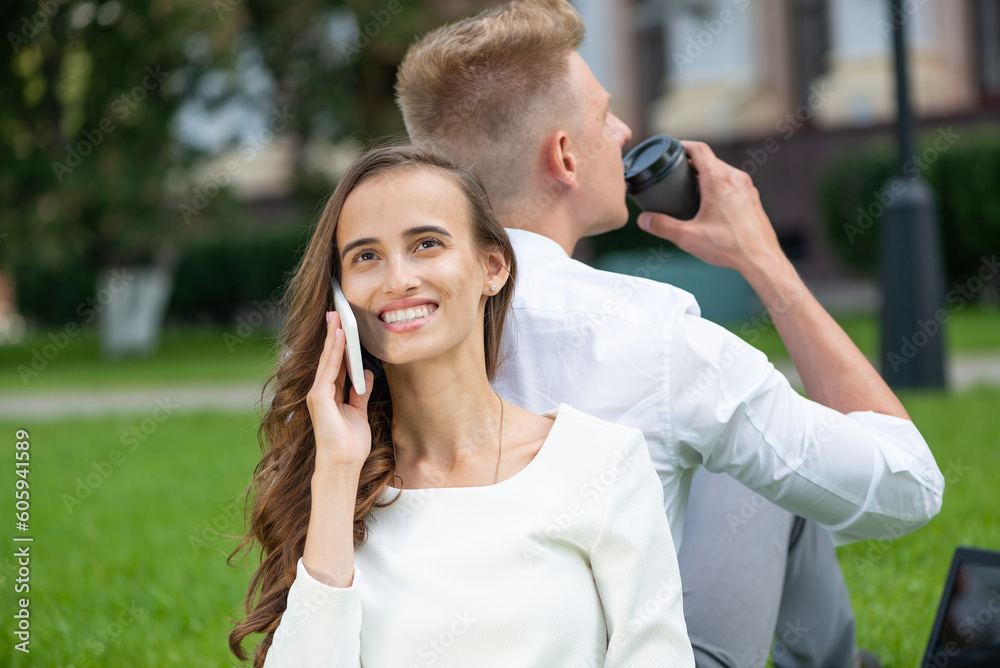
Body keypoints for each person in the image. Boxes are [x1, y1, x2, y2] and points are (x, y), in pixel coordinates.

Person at [394, 1, 946, 666]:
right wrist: (764, 261)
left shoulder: (372, 330)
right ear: (564, 156)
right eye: (604, 115)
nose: (624, 131)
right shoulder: (650, 332)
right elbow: (908, 486)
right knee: (749, 450)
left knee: (731, 435)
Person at [226, 145, 696, 667]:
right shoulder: (341, 485)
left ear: (492, 267)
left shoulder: (603, 462)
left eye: (426, 243)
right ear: (340, 296)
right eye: (365, 256)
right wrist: (336, 474)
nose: (397, 279)